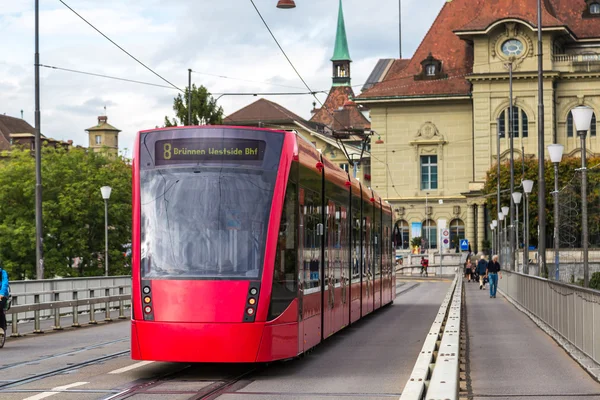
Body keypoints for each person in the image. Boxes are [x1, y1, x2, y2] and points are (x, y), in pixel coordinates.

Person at [0, 264, 8, 338]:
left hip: (2, 295)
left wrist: (2, 293)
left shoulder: (3, 273)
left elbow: (5, 283)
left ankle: (1, 327)